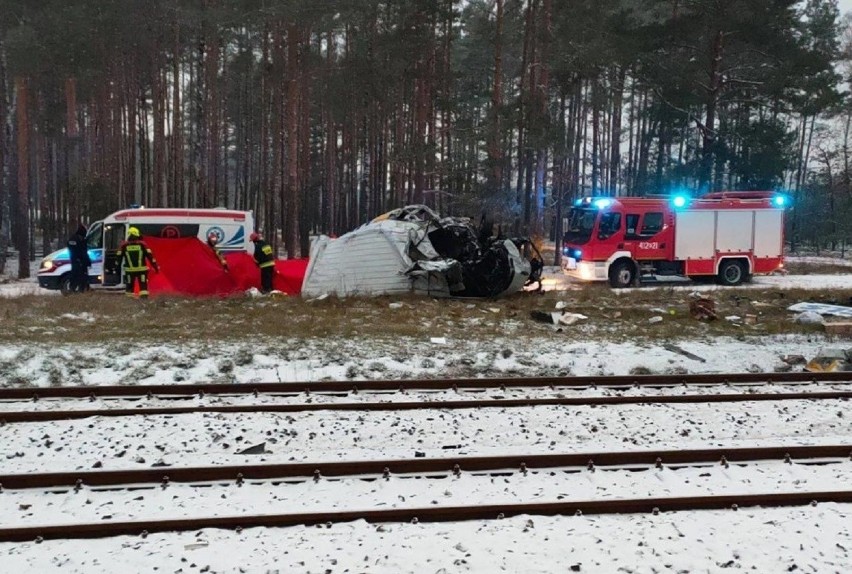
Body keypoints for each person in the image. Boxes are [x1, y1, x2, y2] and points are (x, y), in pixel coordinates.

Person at [117, 226, 159, 298]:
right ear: (137, 235)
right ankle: (144, 301)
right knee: (143, 286)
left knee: (129, 286)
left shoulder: (124, 245)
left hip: (129, 271)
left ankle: (129, 303)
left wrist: (117, 269)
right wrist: (155, 267)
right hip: (142, 270)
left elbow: (118, 258)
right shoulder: (143, 245)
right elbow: (150, 257)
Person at [66, 224, 92, 293]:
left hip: (77, 262)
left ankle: (75, 289)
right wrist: (87, 261)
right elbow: (82, 252)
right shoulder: (79, 240)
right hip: (79, 262)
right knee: (80, 277)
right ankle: (78, 290)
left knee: (77, 277)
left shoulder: (74, 239)